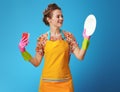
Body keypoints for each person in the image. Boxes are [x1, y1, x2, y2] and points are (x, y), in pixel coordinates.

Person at [19, 3, 90, 92]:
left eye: (62, 16)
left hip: (65, 84)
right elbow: (36, 62)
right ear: (49, 19)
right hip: (47, 84)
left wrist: (86, 39)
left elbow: (80, 56)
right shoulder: (42, 39)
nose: (61, 18)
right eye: (58, 16)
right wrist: (23, 51)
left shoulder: (69, 36)